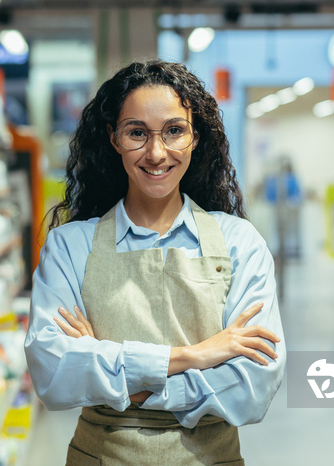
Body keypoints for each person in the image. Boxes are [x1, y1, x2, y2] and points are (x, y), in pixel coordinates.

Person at [24, 60, 286, 465]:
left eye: (174, 131)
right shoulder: (69, 247)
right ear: (114, 139)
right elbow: (53, 376)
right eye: (137, 133)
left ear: (195, 137)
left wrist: (110, 368)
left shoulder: (237, 242)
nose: (156, 152)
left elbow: (253, 385)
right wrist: (195, 355)